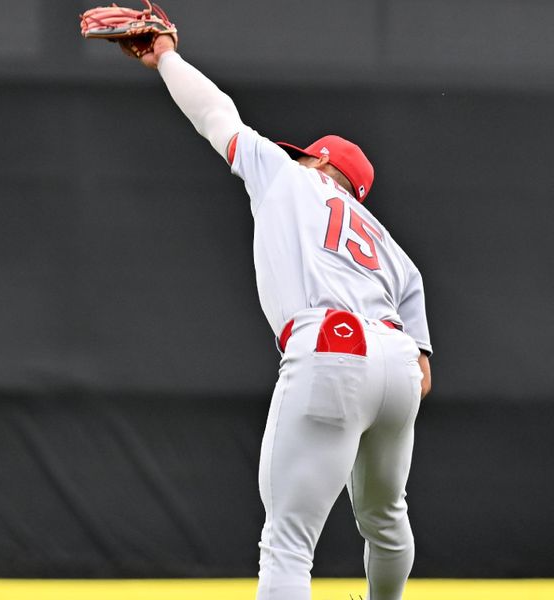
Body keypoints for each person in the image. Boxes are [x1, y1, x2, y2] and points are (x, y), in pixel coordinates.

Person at [130, 32, 433, 600]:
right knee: (386, 519)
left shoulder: (289, 176)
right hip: (396, 363)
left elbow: (216, 114)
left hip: (334, 345)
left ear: (318, 159)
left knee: (289, 541)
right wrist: (418, 352)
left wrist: (166, 57)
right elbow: (413, 287)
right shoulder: (381, 235)